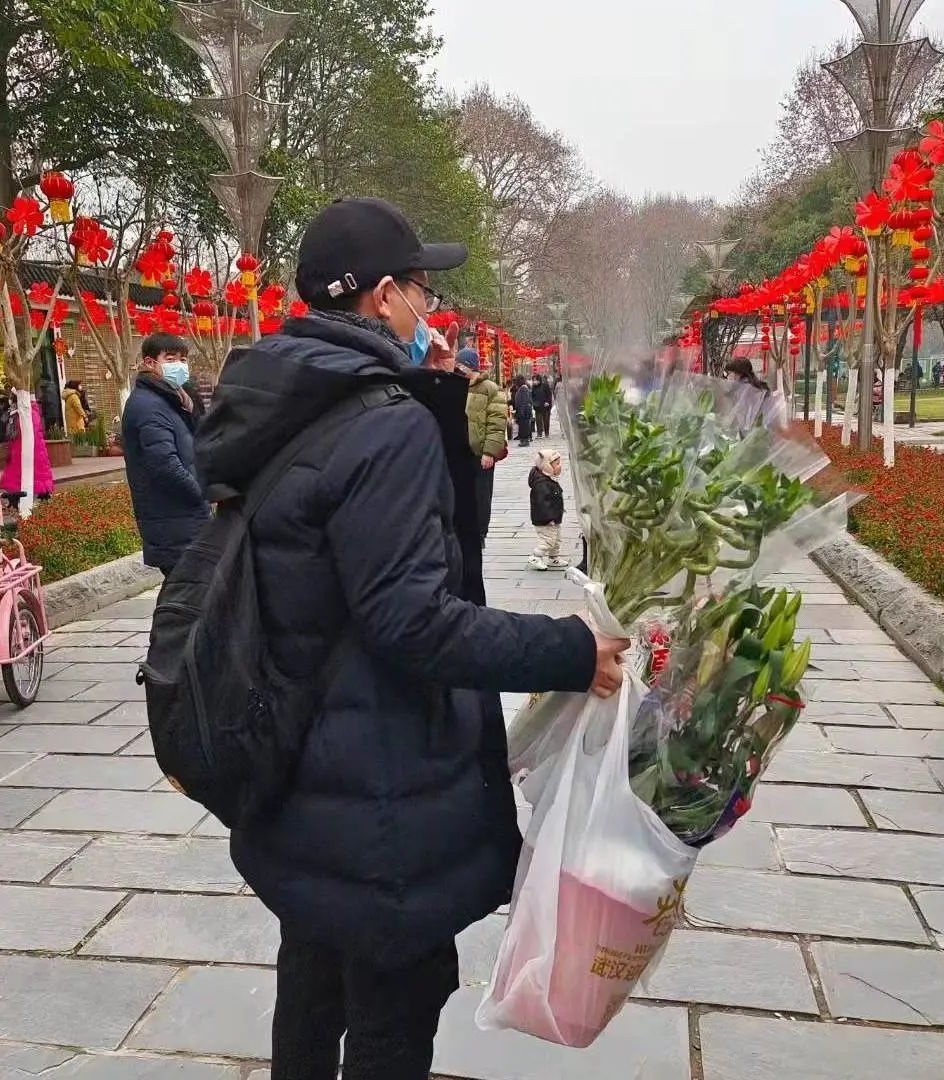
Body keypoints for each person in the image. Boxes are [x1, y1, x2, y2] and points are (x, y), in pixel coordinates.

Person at [194, 196, 628, 1080]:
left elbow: (381, 562)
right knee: (394, 1008)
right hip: (378, 787)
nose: (433, 312)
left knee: (312, 986)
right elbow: (413, 619)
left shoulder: (286, 395)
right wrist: (571, 650)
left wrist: (446, 431)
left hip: (300, 772)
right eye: (424, 294)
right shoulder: (376, 420)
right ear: (384, 297)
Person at [121, 333, 210, 576]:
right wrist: (203, 492)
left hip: (184, 519)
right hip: (173, 521)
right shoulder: (149, 405)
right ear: (150, 363)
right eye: (170, 359)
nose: (179, 366)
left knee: (189, 598)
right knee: (187, 599)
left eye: (183, 359)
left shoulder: (174, 399)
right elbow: (165, 465)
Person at [460, 346, 507, 547]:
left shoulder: (491, 389)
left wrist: (489, 452)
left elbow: (497, 424)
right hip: (461, 452)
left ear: (472, 367)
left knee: (481, 495)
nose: (458, 368)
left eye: (461, 365)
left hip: (481, 453)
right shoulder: (456, 386)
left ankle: (480, 534)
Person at [0, 392, 54, 508]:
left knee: (24, 474)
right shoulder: (24, 413)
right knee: (29, 474)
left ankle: (29, 499)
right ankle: (38, 497)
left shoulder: (25, 414)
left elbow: (24, 433)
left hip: (26, 451)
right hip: (27, 451)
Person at [528, 448, 568, 571]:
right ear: (547, 466)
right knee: (548, 540)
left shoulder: (549, 479)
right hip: (546, 519)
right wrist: (549, 517)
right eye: (557, 464)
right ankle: (536, 556)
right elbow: (542, 504)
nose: (560, 466)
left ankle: (553, 557)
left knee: (556, 539)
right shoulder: (541, 484)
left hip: (554, 517)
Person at [513, 375, 533, 446]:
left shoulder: (523, 388)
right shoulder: (521, 388)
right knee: (522, 426)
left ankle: (525, 440)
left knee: (524, 426)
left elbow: (524, 401)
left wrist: (521, 411)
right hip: (522, 411)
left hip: (524, 411)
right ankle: (523, 440)